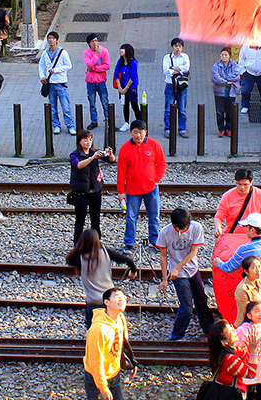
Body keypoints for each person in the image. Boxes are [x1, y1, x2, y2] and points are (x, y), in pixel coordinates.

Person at [83, 287, 138, 400]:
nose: (121, 299)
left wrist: (132, 363)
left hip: (113, 373)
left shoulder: (120, 319)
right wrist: (103, 387)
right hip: (97, 378)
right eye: (117, 297)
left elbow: (123, 344)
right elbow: (95, 361)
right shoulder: (98, 330)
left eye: (123, 297)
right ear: (106, 302)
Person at [158, 207, 213, 341]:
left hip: (192, 269)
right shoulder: (165, 233)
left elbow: (193, 251)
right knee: (187, 307)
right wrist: (165, 278)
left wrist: (177, 267)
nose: (182, 231)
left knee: (201, 300)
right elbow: (163, 256)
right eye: (179, 228)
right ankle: (176, 336)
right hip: (179, 275)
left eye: (184, 228)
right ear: (174, 225)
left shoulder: (196, 227)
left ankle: (209, 330)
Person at [66, 228, 138, 328]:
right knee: (111, 328)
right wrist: (133, 271)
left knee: (93, 329)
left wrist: (79, 248)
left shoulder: (80, 258)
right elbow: (128, 260)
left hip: (93, 300)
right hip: (109, 298)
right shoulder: (105, 252)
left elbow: (69, 260)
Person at [116, 120, 166, 251]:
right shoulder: (125, 149)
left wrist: (157, 179)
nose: (138, 135)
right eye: (135, 132)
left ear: (146, 132)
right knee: (131, 217)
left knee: (154, 216)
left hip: (151, 189)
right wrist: (121, 191)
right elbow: (121, 171)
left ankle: (155, 241)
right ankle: (129, 242)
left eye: (141, 132)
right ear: (131, 133)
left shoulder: (154, 144)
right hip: (132, 190)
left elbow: (162, 163)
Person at [69, 130, 115, 242]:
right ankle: (77, 245)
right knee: (80, 221)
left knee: (96, 220)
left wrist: (110, 154)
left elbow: (111, 160)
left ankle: (96, 244)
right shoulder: (75, 155)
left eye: (90, 139)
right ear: (79, 141)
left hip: (95, 191)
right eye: (85, 139)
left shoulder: (94, 152)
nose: (88, 142)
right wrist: (92, 158)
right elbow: (78, 165)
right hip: (80, 193)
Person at [212, 170, 261, 238]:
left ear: (251, 183)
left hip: (254, 236)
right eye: (239, 184)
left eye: (245, 185)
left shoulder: (260, 195)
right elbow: (219, 215)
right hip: (234, 236)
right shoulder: (227, 196)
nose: (242, 187)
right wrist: (218, 227)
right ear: (236, 183)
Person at [39, 31, 74, 135]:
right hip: (51, 84)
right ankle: (56, 125)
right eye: (49, 38)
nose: (51, 40)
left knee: (66, 107)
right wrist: (42, 76)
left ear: (56, 40)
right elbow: (41, 65)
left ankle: (70, 125)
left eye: (53, 38)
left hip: (61, 83)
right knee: (53, 107)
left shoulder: (63, 52)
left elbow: (68, 65)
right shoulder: (45, 53)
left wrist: (56, 70)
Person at [161, 37, 191, 137]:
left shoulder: (185, 57)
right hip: (170, 85)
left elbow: (186, 68)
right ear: (172, 47)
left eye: (179, 46)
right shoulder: (167, 57)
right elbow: (166, 70)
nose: (177, 48)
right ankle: (168, 129)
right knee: (168, 108)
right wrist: (178, 70)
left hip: (182, 85)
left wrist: (173, 69)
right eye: (176, 46)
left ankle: (182, 129)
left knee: (182, 108)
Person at [82, 34, 112, 131]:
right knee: (92, 103)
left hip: (101, 81)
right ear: (89, 43)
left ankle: (108, 120)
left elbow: (107, 66)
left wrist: (94, 69)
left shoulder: (104, 51)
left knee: (105, 101)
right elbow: (89, 64)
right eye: (92, 41)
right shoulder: (86, 53)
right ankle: (94, 121)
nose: (95, 43)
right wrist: (96, 55)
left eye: (96, 40)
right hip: (90, 82)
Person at [211, 47, 240, 138]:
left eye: (226, 55)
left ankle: (229, 129)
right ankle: (221, 129)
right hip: (219, 93)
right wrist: (227, 82)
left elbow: (236, 76)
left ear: (229, 56)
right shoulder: (216, 66)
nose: (224, 57)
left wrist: (223, 78)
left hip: (231, 92)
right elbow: (215, 78)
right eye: (222, 55)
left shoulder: (234, 65)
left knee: (230, 111)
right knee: (220, 112)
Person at [234, 256, 261, 327]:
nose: (258, 270)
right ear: (246, 271)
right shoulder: (242, 289)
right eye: (254, 268)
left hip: (260, 320)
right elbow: (248, 312)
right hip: (247, 325)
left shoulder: (260, 282)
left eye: (259, 266)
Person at [113, 43, 140, 130]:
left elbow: (133, 76)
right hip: (122, 86)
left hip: (131, 87)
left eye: (123, 49)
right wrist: (120, 87)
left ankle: (140, 122)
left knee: (134, 105)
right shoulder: (120, 61)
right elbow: (116, 73)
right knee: (125, 105)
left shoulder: (133, 62)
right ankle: (126, 122)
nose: (121, 50)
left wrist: (126, 88)